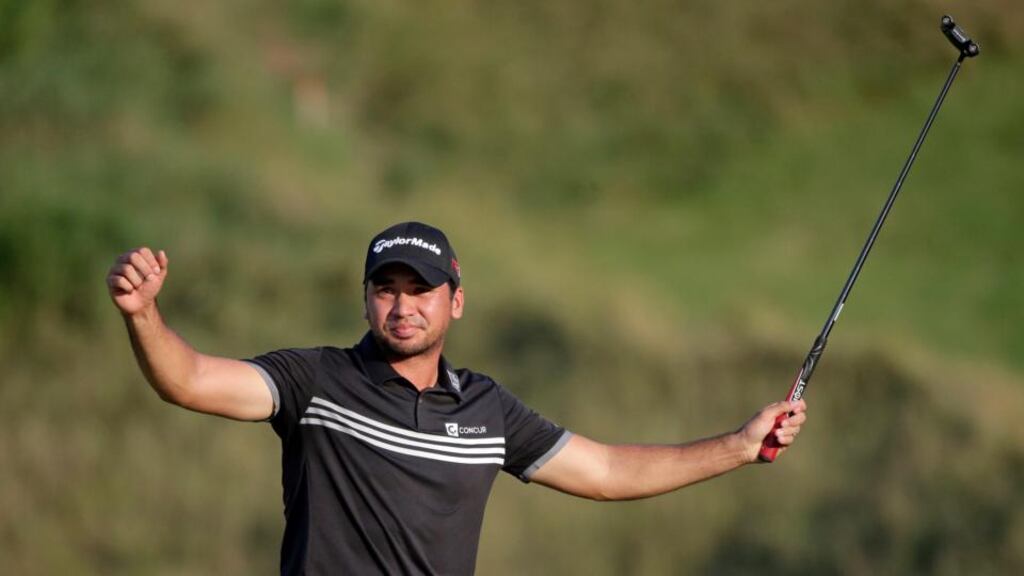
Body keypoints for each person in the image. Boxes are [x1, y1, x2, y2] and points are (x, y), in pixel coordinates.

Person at [107, 221, 807, 576]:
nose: (402, 306)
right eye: (386, 288)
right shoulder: (313, 383)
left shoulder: (487, 410)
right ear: (365, 299)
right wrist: (143, 316)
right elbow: (189, 381)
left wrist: (739, 446)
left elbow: (606, 474)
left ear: (456, 302)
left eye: (421, 290)